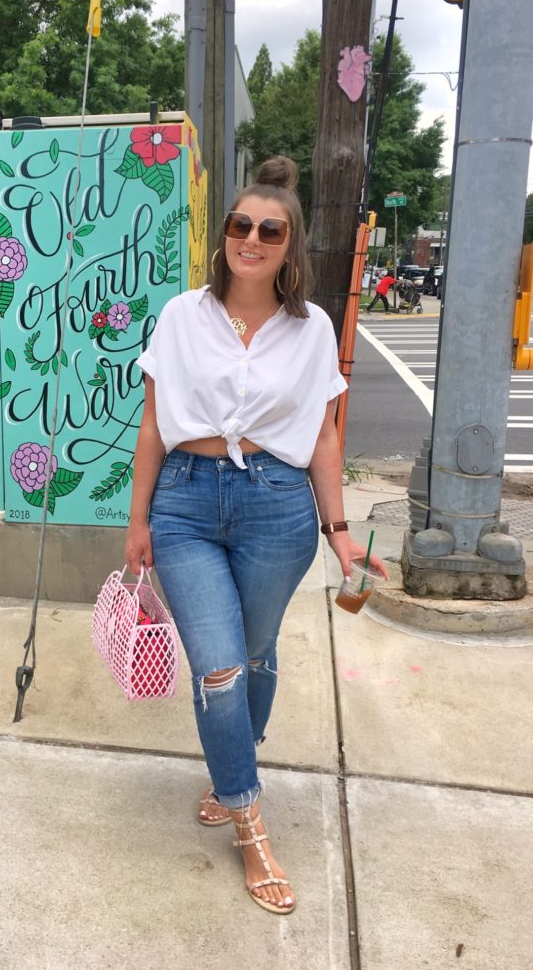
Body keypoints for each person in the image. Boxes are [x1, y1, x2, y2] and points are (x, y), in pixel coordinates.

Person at [126, 156, 388, 915]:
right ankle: (248, 817)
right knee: (217, 666)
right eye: (240, 225)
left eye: (270, 229)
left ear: (290, 244)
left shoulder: (311, 331)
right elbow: (152, 425)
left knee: (255, 654)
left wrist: (341, 536)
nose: (252, 238)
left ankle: (226, 770)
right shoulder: (182, 316)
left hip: (276, 504)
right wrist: (137, 520)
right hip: (185, 505)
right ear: (224, 236)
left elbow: (325, 439)